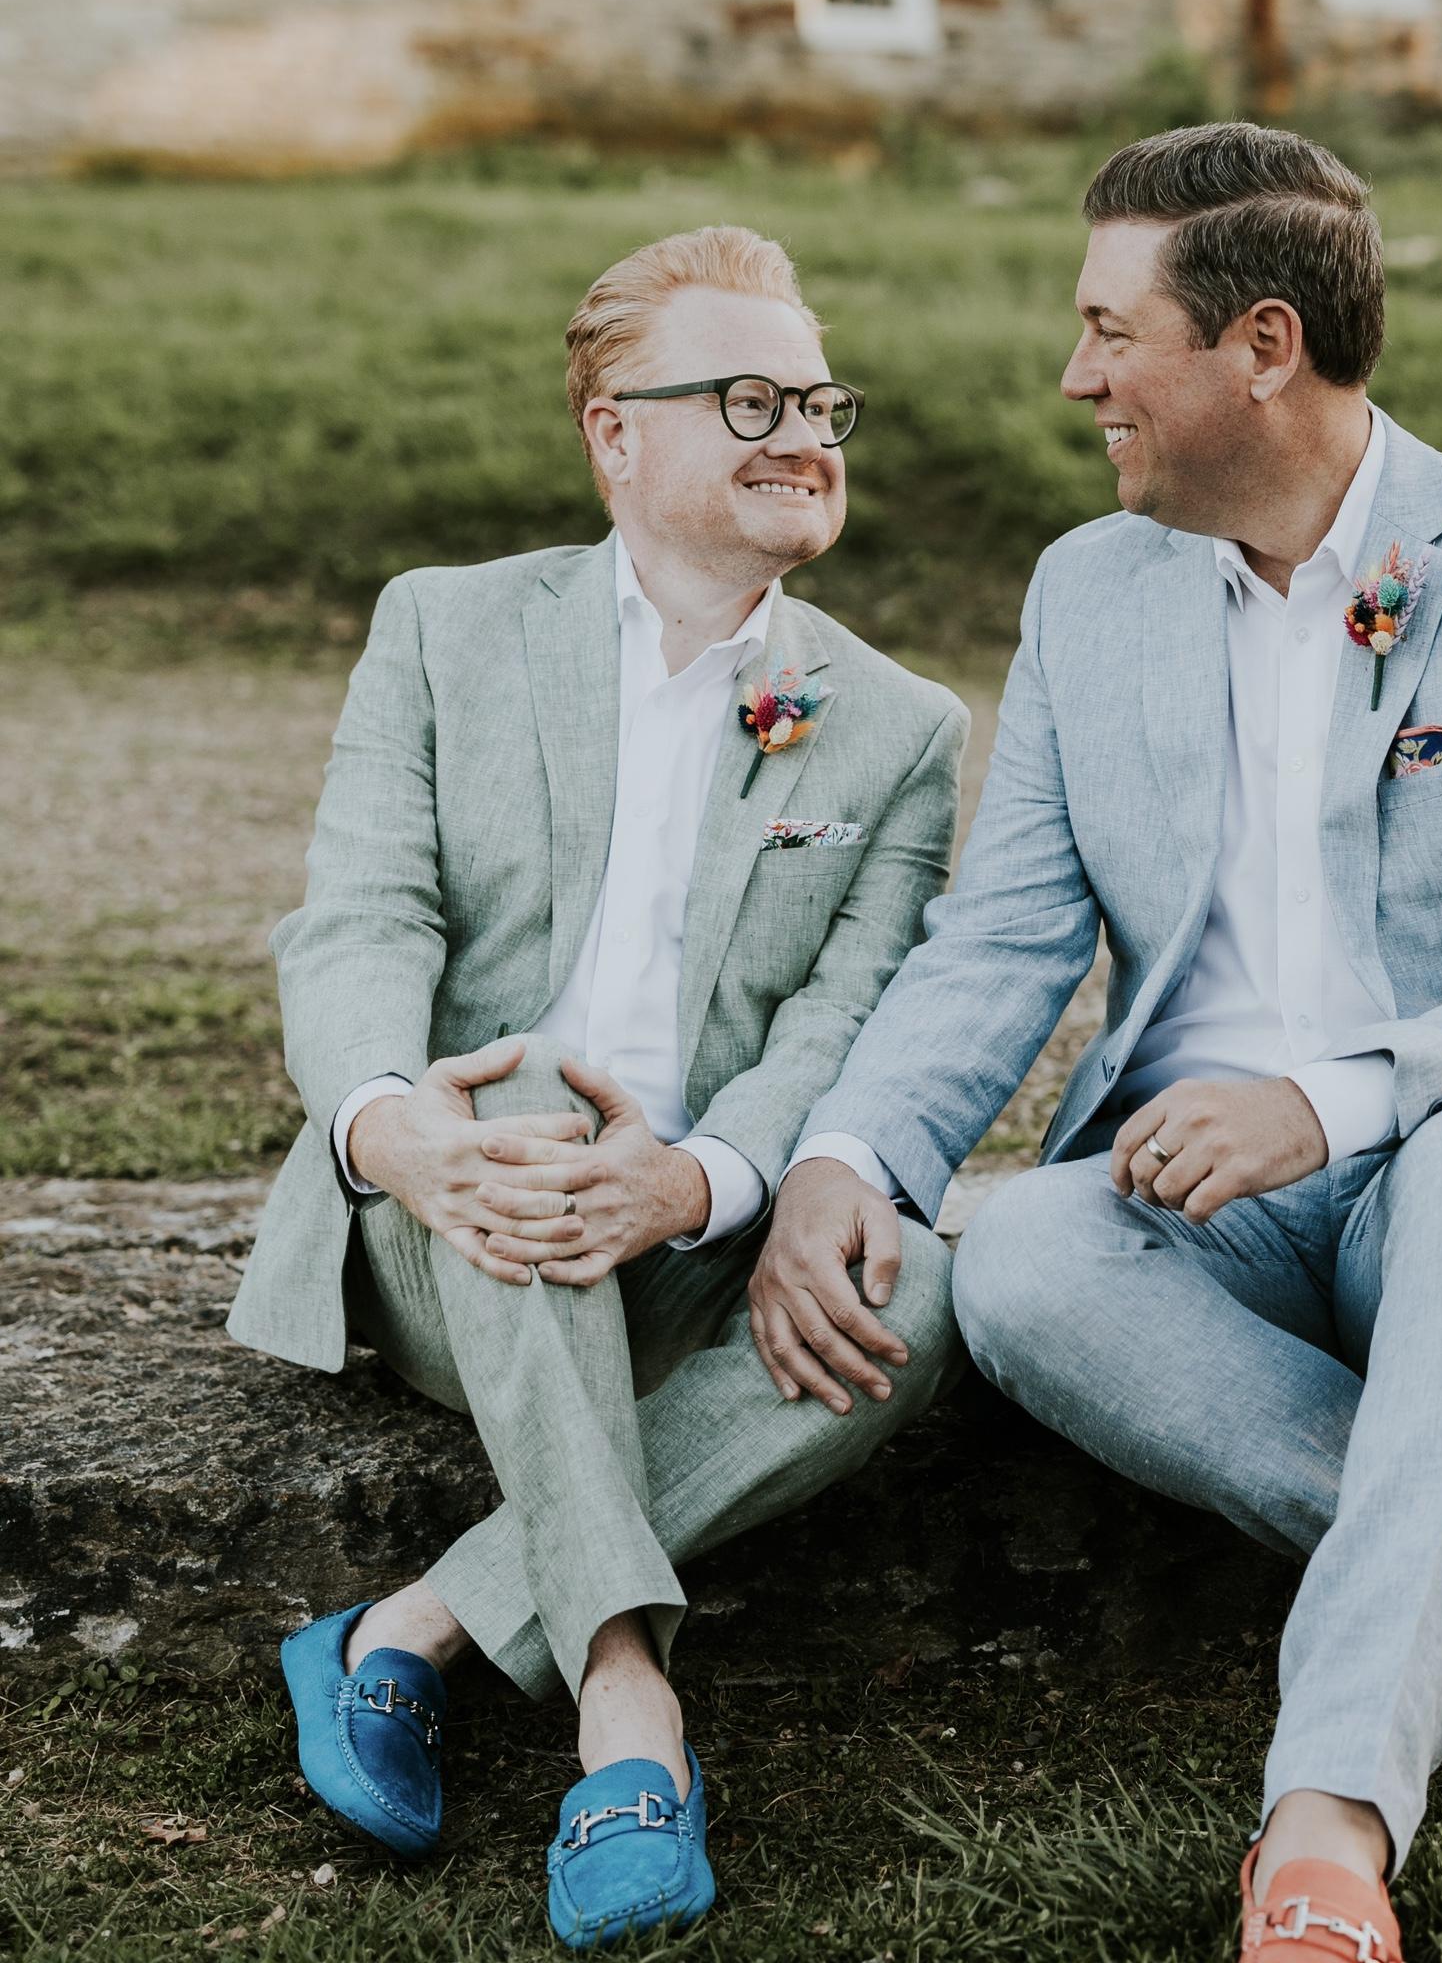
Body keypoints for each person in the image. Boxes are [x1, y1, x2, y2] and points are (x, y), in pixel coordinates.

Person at [757, 125, 1442, 1963]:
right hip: (1204, 1215)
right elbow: (1007, 939)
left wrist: (1331, 1100)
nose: (1074, 376)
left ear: (1262, 345)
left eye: (1113, 331)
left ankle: (1329, 1821)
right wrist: (847, 1157)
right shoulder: (1085, 592)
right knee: (1021, 1252)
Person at [226, 225, 970, 1950]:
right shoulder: (449, 627)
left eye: (821, 400)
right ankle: (626, 1694)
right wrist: (393, 1128)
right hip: (446, 1213)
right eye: (749, 397)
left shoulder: (899, 724)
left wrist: (702, 1182)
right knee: (525, 1142)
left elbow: (838, 1028)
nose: (806, 434)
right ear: (613, 432)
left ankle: (408, 1630)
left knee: (922, 1285)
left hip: (690, 1240)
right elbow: (362, 920)